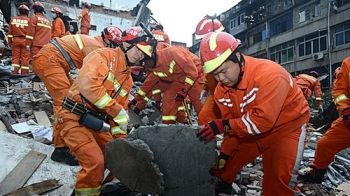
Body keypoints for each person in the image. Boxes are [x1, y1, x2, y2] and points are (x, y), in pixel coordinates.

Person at [196, 32, 310, 195]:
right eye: (215, 74)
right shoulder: (222, 92)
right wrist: (224, 157)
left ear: (237, 56)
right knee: (227, 166)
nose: (221, 78)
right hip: (252, 129)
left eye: (223, 71)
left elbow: (261, 122)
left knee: (277, 183)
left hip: (287, 127)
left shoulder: (269, 75)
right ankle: (224, 184)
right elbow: (234, 129)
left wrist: (223, 125)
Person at [54, 26, 155, 195]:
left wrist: (121, 140)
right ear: (126, 44)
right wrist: (116, 110)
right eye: (138, 50)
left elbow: (120, 116)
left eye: (144, 54)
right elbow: (88, 87)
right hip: (74, 117)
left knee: (116, 159)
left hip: (97, 123)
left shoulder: (127, 78)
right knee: (95, 162)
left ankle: (92, 188)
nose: (140, 56)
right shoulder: (102, 56)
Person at [32, 26, 123, 166]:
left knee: (71, 99)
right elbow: (93, 82)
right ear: (111, 43)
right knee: (64, 103)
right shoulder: (99, 49)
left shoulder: (95, 43)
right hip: (51, 60)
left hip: (53, 60)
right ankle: (61, 150)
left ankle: (69, 140)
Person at [297, 57, 350, 184]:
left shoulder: (300, 76)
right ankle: (317, 172)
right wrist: (345, 110)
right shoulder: (347, 64)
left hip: (291, 92)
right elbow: (326, 92)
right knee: (325, 144)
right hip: (348, 118)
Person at [130, 43, 205, 124]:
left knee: (197, 101)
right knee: (168, 97)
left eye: (146, 62)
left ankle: (206, 126)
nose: (146, 65)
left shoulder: (172, 53)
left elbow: (192, 72)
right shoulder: (155, 68)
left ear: (152, 57)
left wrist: (184, 90)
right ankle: (169, 125)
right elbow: (148, 85)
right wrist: (135, 100)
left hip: (197, 74)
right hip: (181, 79)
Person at [194, 16, 225, 125]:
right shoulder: (207, 53)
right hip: (214, 94)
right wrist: (206, 89)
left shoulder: (223, 50)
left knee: (229, 123)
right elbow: (209, 75)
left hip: (228, 93)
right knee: (203, 118)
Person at [7, 4, 31, 75]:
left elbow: (10, 33)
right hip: (25, 41)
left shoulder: (13, 19)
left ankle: (14, 73)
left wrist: (10, 42)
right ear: (27, 12)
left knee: (15, 58)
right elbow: (31, 33)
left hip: (16, 41)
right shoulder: (29, 21)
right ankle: (24, 74)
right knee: (25, 58)